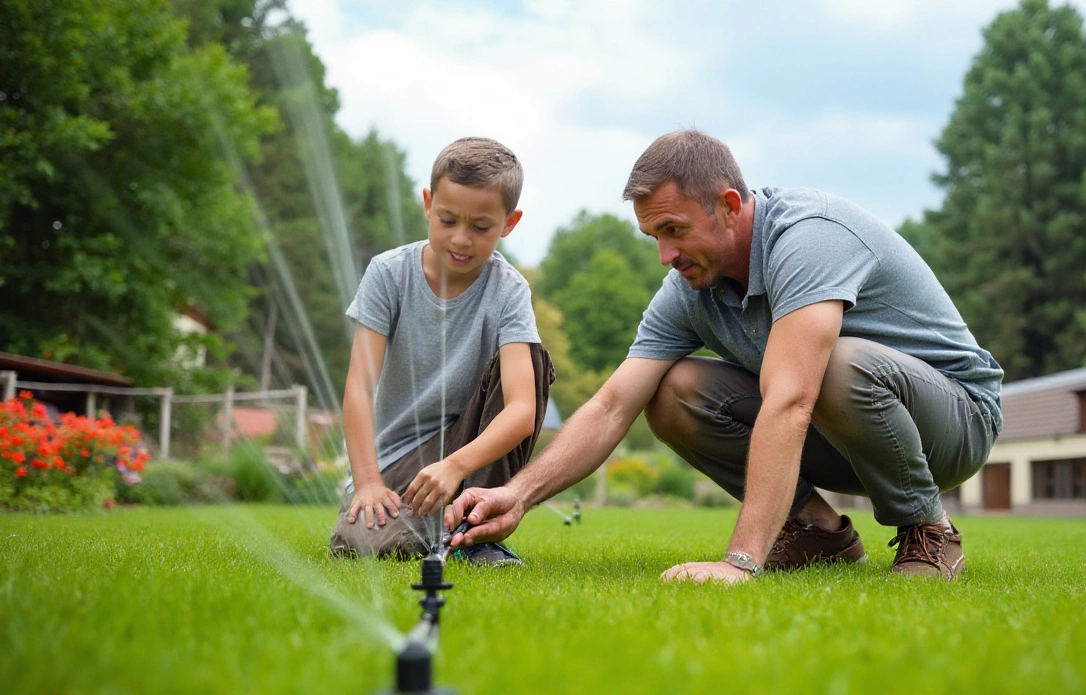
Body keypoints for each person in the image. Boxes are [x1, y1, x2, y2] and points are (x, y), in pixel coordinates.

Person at [446, 129, 1002, 582]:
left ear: (729, 206)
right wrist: (516, 495)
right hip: (845, 436)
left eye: (674, 231)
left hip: (953, 423)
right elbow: (613, 405)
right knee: (669, 391)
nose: (665, 255)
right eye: (653, 237)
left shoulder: (808, 239)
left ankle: (927, 530)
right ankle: (812, 531)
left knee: (829, 366)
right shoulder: (691, 284)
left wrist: (739, 563)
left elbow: (791, 400)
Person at [328, 137, 553, 565]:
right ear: (428, 203)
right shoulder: (389, 274)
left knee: (532, 360)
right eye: (448, 219)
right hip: (398, 461)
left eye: (481, 227)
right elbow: (359, 387)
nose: (462, 239)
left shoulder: (509, 291)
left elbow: (522, 410)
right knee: (365, 542)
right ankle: (444, 532)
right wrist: (369, 483)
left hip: (471, 450)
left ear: (510, 222)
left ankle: (475, 533)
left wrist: (454, 466)